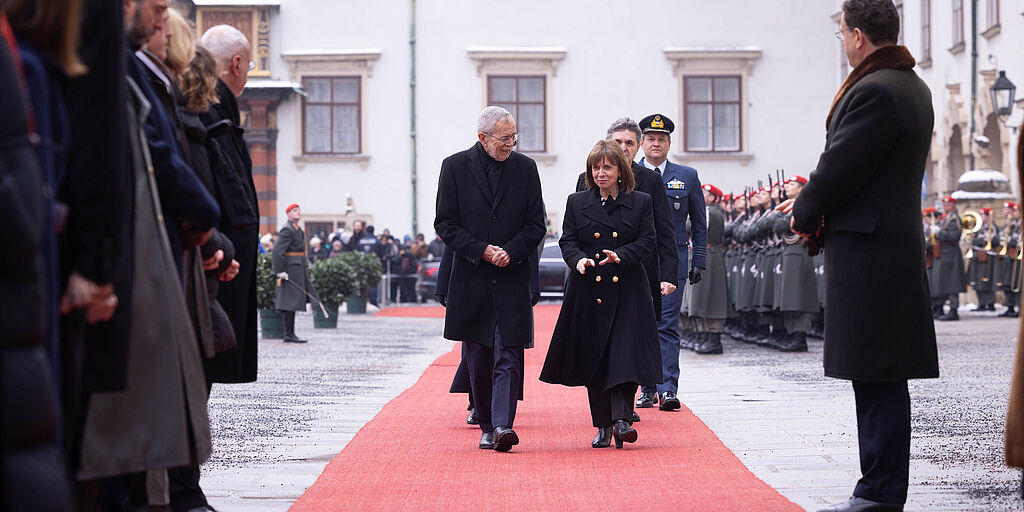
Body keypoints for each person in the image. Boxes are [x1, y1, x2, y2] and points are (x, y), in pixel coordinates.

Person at [778, 2, 939, 510]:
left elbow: (839, 167)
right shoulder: (907, 85)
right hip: (884, 248)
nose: (843, 42)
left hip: (872, 254)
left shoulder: (876, 90)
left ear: (859, 37)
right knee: (879, 376)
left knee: (878, 377)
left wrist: (803, 211)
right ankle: (879, 487)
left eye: (842, 33)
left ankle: (879, 491)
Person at [434, 106, 546, 452]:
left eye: (514, 137)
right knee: (479, 354)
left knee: (509, 353)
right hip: (472, 277)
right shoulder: (454, 167)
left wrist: (510, 251)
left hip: (512, 276)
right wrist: (482, 250)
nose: (511, 144)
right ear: (482, 138)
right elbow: (446, 224)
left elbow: (535, 224)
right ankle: (486, 423)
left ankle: (503, 426)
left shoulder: (526, 169)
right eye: (504, 138)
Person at [541, 140, 658, 449]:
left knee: (625, 353)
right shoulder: (577, 201)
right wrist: (577, 259)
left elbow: (648, 241)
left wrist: (622, 255)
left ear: (621, 170)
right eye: (596, 167)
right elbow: (567, 240)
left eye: (607, 167)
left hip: (627, 287)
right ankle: (603, 425)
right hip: (589, 288)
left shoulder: (641, 201)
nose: (601, 172)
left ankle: (622, 418)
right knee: (596, 356)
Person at [200, 23, 261, 385]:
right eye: (249, 67)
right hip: (217, 258)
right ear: (236, 63)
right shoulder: (211, 109)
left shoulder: (213, 105)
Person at [633, 113, 706, 412]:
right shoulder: (629, 173)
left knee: (667, 325)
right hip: (639, 261)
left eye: (661, 139)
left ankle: (668, 388)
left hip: (672, 261)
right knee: (641, 325)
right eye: (650, 138)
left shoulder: (686, 176)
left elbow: (700, 223)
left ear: (669, 143)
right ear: (642, 143)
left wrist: (698, 259)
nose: (655, 143)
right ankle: (646, 388)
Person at [771, 176, 817, 352]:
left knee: (799, 296)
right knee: (788, 296)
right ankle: (792, 332)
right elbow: (777, 225)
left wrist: (783, 219)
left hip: (800, 249)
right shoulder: (788, 206)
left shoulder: (804, 204)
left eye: (792, 184)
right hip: (789, 251)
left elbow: (786, 224)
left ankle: (800, 335)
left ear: (801, 188)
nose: (788, 187)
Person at [687, 184, 730, 354]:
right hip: (704, 253)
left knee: (710, 297)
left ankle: (713, 338)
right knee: (701, 297)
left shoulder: (709, 211)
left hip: (709, 254)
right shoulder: (705, 210)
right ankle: (705, 334)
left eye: (704, 193)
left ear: (712, 197)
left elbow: (691, 227)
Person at [274, 204, 318, 343]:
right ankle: (288, 334)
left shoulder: (297, 229)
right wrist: (280, 270)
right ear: (288, 214)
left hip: (297, 268)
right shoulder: (287, 229)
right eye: (294, 210)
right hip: (290, 269)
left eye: (298, 210)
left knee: (292, 302)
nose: (298, 212)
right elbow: (277, 251)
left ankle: (290, 333)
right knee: (288, 302)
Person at [933, 196, 966, 321]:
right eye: (944, 205)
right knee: (944, 283)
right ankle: (942, 308)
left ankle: (953, 310)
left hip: (951, 253)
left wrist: (939, 233)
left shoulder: (954, 219)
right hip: (944, 253)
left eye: (948, 205)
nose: (945, 207)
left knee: (953, 283)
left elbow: (954, 236)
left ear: (953, 205)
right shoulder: (945, 218)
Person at [967, 207, 999, 312]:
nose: (981, 217)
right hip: (977, 256)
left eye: (983, 215)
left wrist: (978, 241)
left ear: (988, 216)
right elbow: (974, 240)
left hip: (987, 256)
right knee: (976, 280)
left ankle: (990, 303)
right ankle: (981, 303)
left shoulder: (991, 227)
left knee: (986, 281)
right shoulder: (978, 227)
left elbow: (992, 240)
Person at [996, 202, 1021, 317]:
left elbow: (1017, 240)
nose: (1015, 213)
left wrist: (1008, 240)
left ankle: (1019, 308)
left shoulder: (1018, 224)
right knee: (1008, 283)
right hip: (1010, 255)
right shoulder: (1011, 224)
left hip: (1018, 255)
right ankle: (1010, 307)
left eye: (1017, 211)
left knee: (1018, 283)